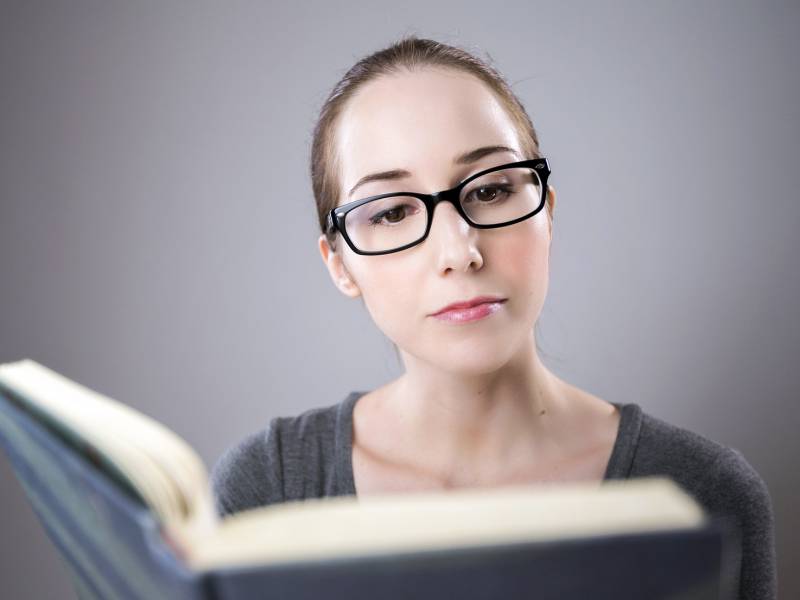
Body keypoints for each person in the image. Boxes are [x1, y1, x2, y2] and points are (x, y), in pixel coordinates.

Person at [211, 36, 777, 599]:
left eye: (490, 190)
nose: (460, 252)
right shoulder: (270, 488)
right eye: (392, 212)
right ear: (340, 264)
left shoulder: (705, 495)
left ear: (546, 212)